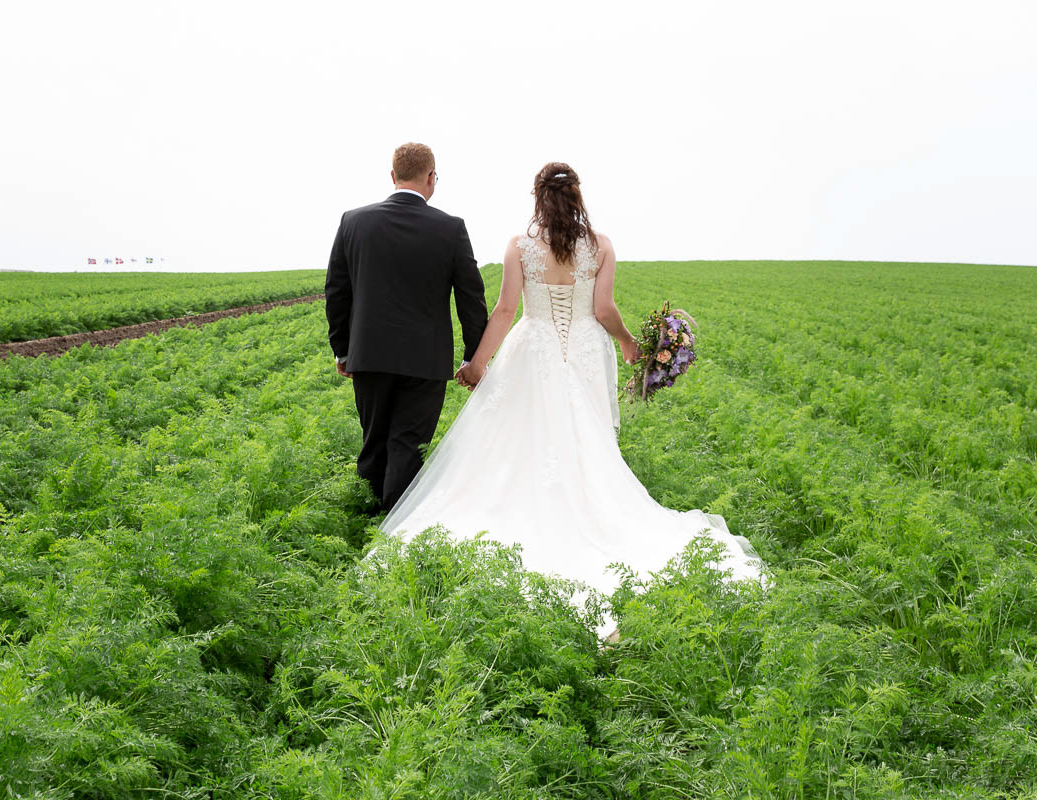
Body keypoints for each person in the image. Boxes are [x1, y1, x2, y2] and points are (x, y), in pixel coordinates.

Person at [379, 161, 768, 639]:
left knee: (521, 436)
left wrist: (478, 364)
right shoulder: (601, 246)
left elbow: (504, 311)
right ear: (577, 196)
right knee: (585, 436)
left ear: (537, 198)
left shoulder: (519, 247)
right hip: (585, 349)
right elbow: (603, 310)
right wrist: (629, 343)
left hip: (533, 345)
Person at [325, 143, 489, 513]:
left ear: (392, 175)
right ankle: (392, 537)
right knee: (408, 446)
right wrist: (473, 357)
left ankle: (366, 527)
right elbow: (470, 297)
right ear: (432, 178)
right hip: (425, 361)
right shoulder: (450, 228)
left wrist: (344, 349)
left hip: (369, 356)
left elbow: (337, 291)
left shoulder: (353, 221)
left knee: (374, 442)